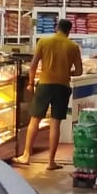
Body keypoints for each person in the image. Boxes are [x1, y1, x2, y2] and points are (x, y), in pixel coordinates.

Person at [14, 19, 83, 169]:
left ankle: (26, 155)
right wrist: (66, 72)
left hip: (44, 85)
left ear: (57, 28)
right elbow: (79, 71)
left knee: (35, 120)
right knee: (55, 123)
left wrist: (31, 83)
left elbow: (33, 66)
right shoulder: (73, 47)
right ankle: (51, 162)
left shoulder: (44, 42)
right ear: (69, 31)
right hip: (62, 87)